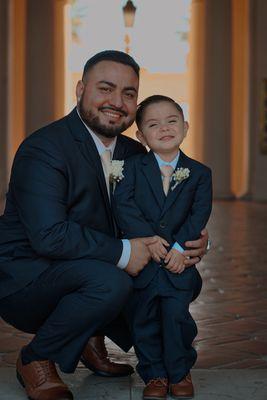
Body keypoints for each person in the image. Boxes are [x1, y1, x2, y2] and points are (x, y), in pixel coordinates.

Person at [0, 51, 209, 400]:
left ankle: (89, 336)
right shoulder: (44, 148)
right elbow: (49, 236)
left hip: (85, 266)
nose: (117, 102)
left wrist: (193, 243)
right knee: (111, 282)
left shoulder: (135, 152)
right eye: (106, 88)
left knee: (180, 279)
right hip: (26, 278)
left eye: (129, 93)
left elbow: (166, 211)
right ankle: (37, 357)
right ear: (80, 89)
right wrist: (127, 250)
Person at [114, 95, 212, 400]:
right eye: (154, 125)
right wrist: (147, 239)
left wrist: (181, 249)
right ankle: (154, 373)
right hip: (144, 261)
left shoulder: (199, 173)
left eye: (172, 121)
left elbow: (199, 213)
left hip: (178, 263)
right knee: (143, 319)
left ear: (185, 126)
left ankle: (179, 370)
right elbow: (124, 207)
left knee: (176, 317)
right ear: (141, 136)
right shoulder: (130, 168)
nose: (165, 128)